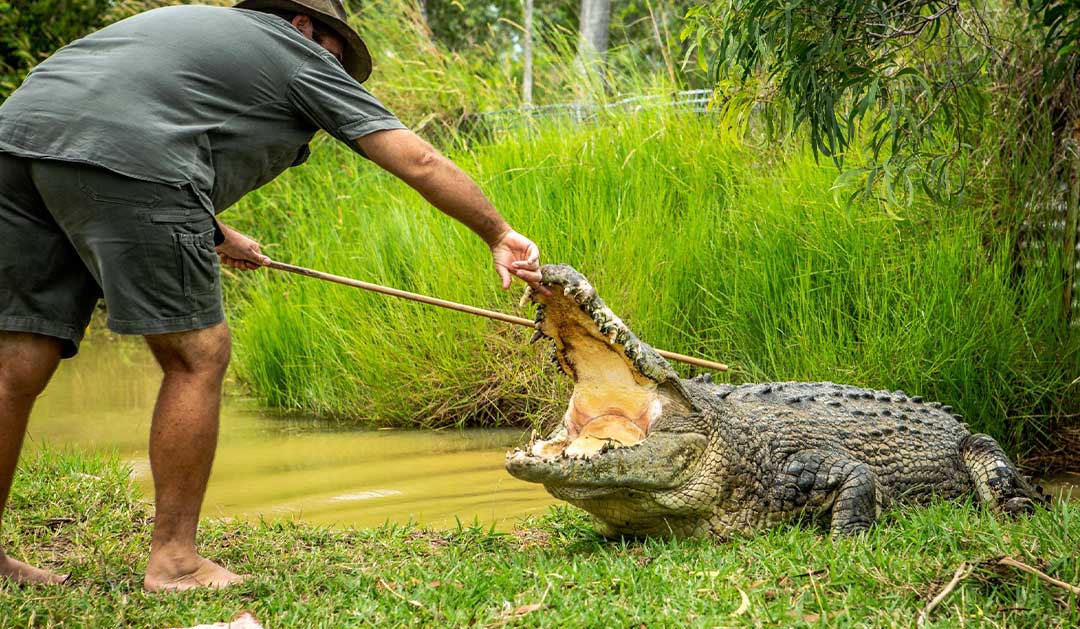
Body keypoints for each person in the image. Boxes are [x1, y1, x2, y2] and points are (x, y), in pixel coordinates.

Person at [0, 0, 542, 591]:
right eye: (335, 53)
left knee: (16, 359)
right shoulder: (296, 53)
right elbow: (418, 157)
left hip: (16, 143)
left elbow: (120, 114)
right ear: (304, 26)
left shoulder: (188, 27)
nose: (332, 69)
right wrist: (498, 233)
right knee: (195, 355)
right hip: (128, 160)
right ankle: (175, 561)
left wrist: (213, 232)